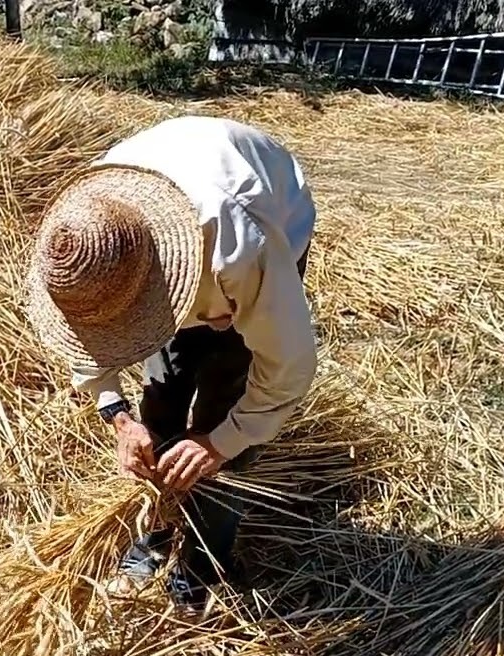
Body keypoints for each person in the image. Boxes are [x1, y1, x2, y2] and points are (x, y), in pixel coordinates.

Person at [23, 115, 318, 610]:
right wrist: (118, 417)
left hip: (265, 214)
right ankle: (156, 533)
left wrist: (221, 441)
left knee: (223, 414)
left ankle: (202, 563)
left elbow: (289, 365)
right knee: (160, 398)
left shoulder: (241, 242)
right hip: (172, 243)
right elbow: (86, 344)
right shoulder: (82, 239)